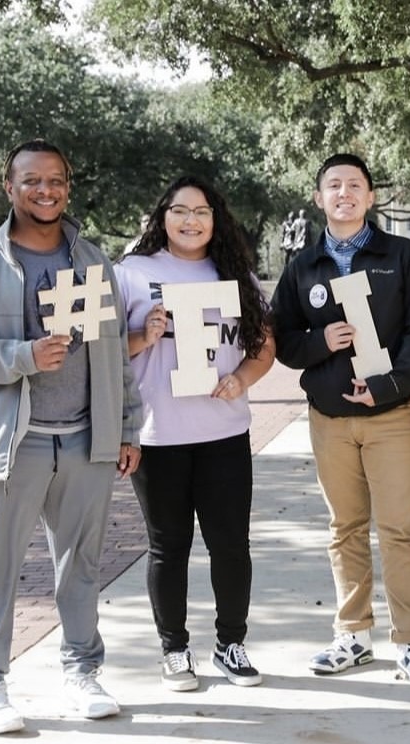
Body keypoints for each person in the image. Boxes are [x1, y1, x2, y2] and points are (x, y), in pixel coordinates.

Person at [0, 139, 142, 734]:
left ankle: (81, 672)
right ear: (8, 186)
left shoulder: (91, 259)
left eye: (56, 180)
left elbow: (114, 355)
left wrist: (125, 427)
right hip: (7, 443)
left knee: (83, 566)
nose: (45, 190)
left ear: (68, 185)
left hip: (83, 441)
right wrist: (21, 355)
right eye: (31, 181)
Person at [270, 153, 410, 690]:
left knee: (398, 530)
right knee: (344, 528)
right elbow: (281, 339)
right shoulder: (303, 267)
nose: (344, 193)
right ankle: (353, 635)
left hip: (391, 415)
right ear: (319, 197)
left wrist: (387, 385)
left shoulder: (404, 255)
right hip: (329, 419)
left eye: (354, 185)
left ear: (371, 197)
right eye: (333, 185)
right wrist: (320, 342)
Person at [114, 176, 275, 692]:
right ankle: (175, 650)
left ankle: (231, 644)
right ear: (162, 216)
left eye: (201, 211)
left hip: (224, 431)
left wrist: (240, 379)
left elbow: (263, 347)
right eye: (180, 210)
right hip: (159, 434)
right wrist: (145, 334)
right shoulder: (133, 273)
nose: (191, 220)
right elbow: (101, 349)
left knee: (231, 545)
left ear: (216, 218)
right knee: (169, 547)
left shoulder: (233, 273)